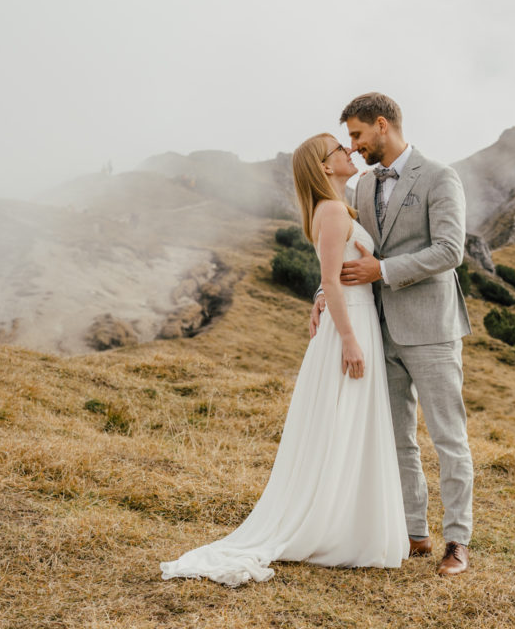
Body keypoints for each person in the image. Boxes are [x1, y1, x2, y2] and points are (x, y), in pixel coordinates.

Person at [159, 133, 408, 587]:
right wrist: (349, 340)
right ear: (325, 166)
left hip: (357, 318)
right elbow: (331, 281)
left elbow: (336, 276)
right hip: (351, 324)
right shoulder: (332, 211)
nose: (349, 151)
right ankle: (332, 526)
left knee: (349, 421)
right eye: (339, 149)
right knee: (342, 419)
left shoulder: (338, 208)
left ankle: (344, 522)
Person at [311, 92, 473, 576]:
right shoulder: (361, 187)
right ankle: (414, 533)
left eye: (358, 135)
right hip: (379, 330)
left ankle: (457, 542)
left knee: (448, 438)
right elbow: (347, 249)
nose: (354, 146)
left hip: (432, 328)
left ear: (382, 125)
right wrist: (323, 292)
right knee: (398, 437)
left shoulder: (440, 177)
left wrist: (384, 270)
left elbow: (450, 250)